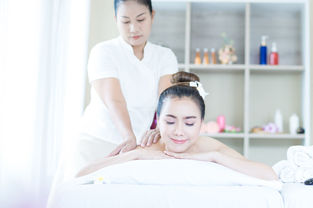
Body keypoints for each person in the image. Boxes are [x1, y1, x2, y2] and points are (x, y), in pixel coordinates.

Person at [76, 72, 278, 181]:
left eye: (189, 122)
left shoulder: (210, 147)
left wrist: (215, 158)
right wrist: (134, 155)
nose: (179, 131)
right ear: (158, 121)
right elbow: (82, 173)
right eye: (170, 121)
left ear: (201, 124)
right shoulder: (149, 147)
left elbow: (269, 175)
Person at [76, 0, 177, 170]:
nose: (133, 28)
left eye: (141, 19)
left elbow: (167, 99)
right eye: (125, 21)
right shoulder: (103, 52)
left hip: (138, 144)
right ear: (116, 20)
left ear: (152, 16)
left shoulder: (165, 56)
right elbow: (115, 99)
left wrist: (160, 130)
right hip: (97, 140)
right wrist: (128, 135)